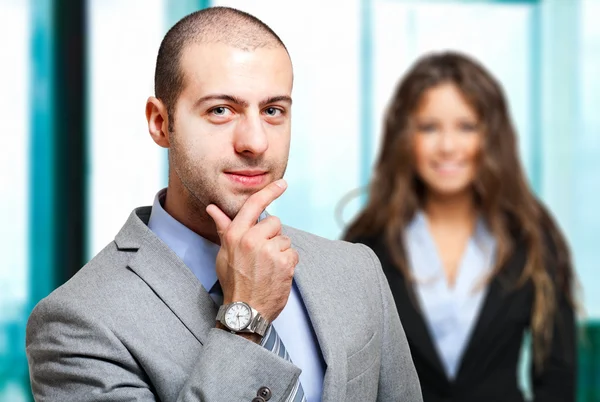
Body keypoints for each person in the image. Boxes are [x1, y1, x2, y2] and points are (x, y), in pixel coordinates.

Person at [25, 6, 422, 402]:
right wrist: (245, 317)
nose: (255, 141)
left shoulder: (356, 272)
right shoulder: (77, 322)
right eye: (221, 110)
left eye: (272, 111)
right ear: (160, 123)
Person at [343, 52, 576, 402]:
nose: (448, 147)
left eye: (466, 127)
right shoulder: (367, 243)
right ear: (405, 138)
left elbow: (556, 373)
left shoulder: (532, 236)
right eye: (429, 127)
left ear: (490, 137)